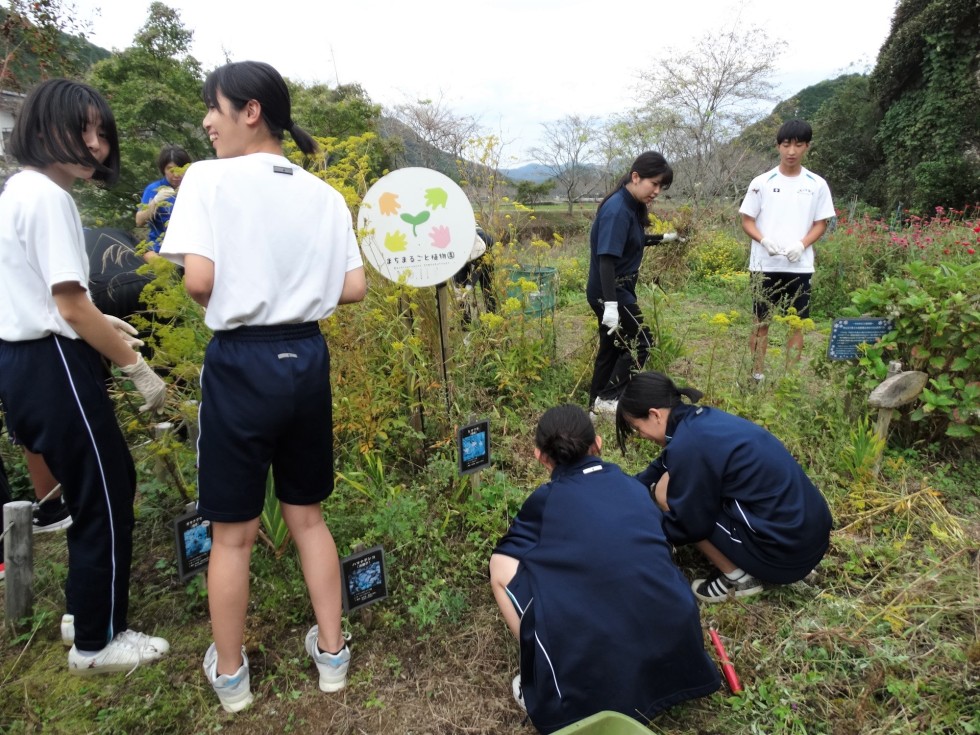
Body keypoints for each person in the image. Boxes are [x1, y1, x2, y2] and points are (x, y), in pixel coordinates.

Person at [160, 60, 367, 713]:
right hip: (306, 354)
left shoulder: (207, 180)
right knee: (308, 516)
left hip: (242, 361)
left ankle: (231, 677)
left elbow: (197, 281)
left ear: (251, 110)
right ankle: (332, 655)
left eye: (212, 107)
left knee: (232, 532)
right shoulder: (325, 195)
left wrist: (250, 290)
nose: (205, 121)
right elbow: (354, 288)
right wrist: (293, 288)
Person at [0, 78, 169, 673]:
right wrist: (136, 366)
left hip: (23, 360)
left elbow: (56, 300)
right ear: (43, 126)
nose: (95, 144)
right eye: (83, 128)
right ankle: (99, 641)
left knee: (91, 485)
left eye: (102, 132)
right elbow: (69, 307)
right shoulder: (48, 198)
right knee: (107, 488)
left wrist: (104, 326)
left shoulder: (18, 190)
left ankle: (81, 610)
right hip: (53, 362)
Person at [489, 404, 720, 733]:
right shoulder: (634, 487)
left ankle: (536, 675)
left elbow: (512, 553)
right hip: (678, 645)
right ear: (598, 443)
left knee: (499, 566)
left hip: (596, 683)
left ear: (540, 456)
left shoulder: (545, 501)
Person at [615, 371, 833, 603]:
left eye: (637, 428)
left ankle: (738, 580)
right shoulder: (701, 421)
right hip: (809, 535)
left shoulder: (689, 445)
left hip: (785, 554)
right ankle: (776, 555)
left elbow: (689, 525)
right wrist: (621, 491)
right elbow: (662, 465)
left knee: (667, 494)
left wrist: (637, 535)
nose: (640, 435)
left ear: (654, 415)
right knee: (675, 485)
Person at [739, 119, 835, 382]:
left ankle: (789, 379)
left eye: (798, 145)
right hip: (764, 265)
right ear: (778, 146)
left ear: (807, 147)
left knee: (797, 323)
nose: (791, 151)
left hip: (799, 266)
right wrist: (764, 240)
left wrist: (802, 244)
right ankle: (755, 375)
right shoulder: (762, 182)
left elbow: (821, 223)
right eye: (786, 145)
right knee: (760, 322)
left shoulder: (816, 184)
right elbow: (747, 220)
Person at [586, 151, 674, 416]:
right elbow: (606, 259)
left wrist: (662, 238)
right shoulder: (617, 210)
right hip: (611, 289)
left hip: (615, 289)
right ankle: (610, 398)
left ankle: (595, 406)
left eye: (661, 186)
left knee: (611, 347)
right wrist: (611, 305)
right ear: (636, 177)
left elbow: (632, 240)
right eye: (654, 183)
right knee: (642, 342)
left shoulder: (631, 206)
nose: (657, 191)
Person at [135, 144, 192, 261]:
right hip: (160, 250)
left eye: (180, 169)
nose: (176, 175)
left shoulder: (193, 187)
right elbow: (139, 221)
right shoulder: (154, 189)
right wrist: (155, 202)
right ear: (163, 169)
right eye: (170, 169)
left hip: (189, 250)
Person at [452, 225, 497, 320]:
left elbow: (478, 270)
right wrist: (461, 290)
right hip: (460, 256)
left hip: (483, 256)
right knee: (460, 288)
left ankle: (492, 318)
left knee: (487, 287)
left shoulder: (485, 241)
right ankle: (465, 320)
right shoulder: (454, 242)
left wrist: (469, 287)